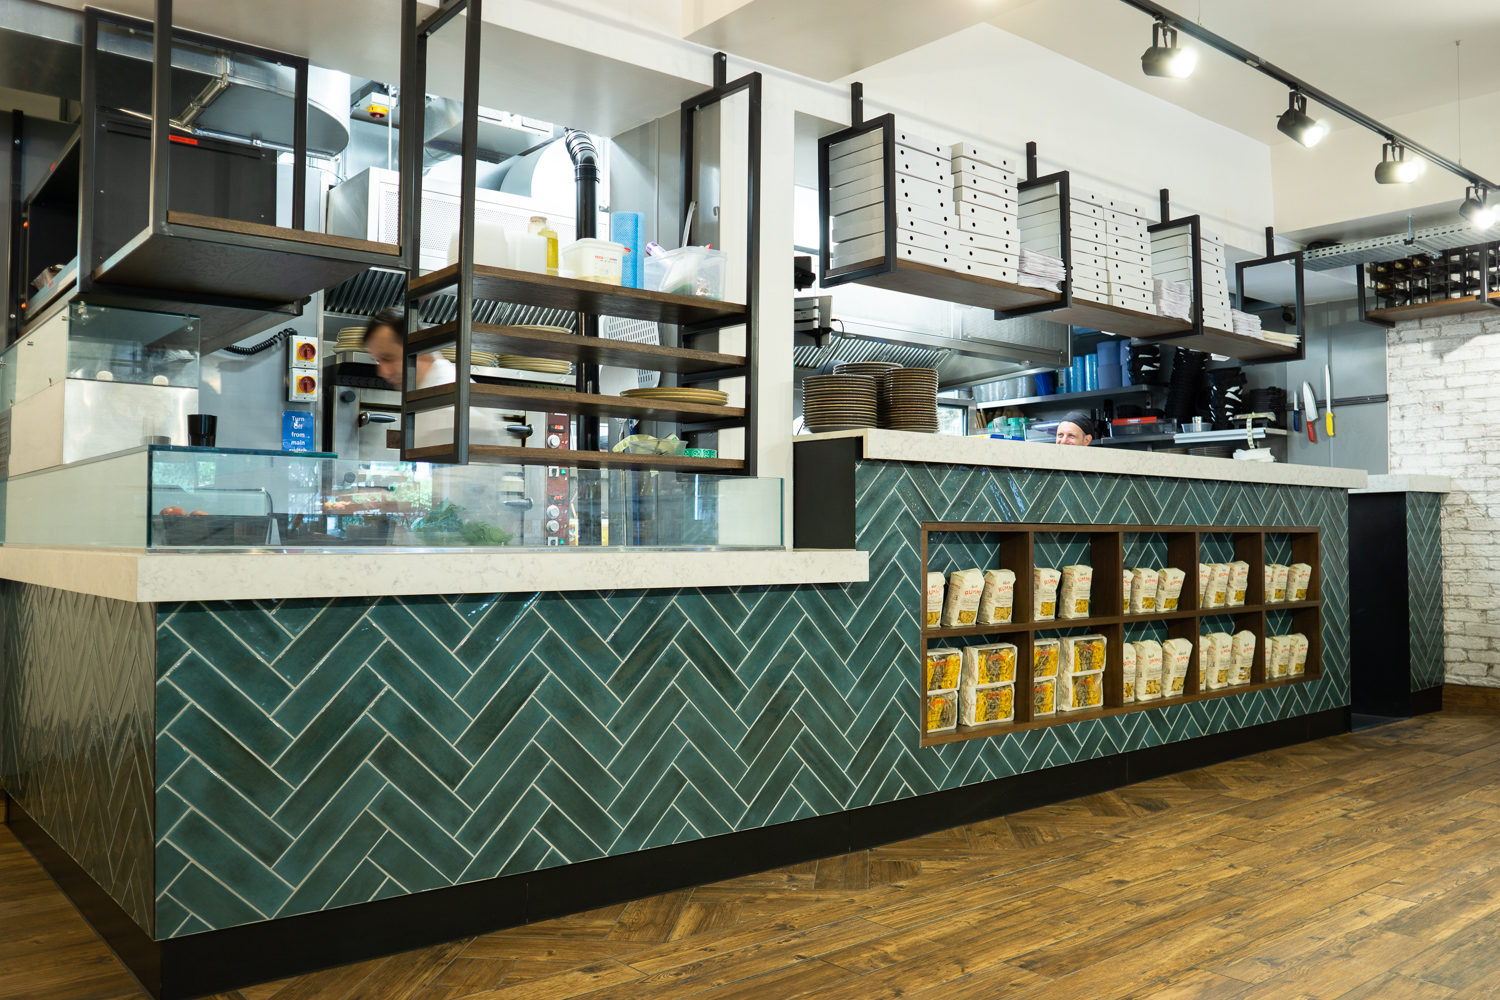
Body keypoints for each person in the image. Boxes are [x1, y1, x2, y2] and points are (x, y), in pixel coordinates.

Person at [361, 307, 502, 450]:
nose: (382, 372)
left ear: (418, 349)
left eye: (388, 358)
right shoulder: (427, 393)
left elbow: (456, 471)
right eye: (378, 361)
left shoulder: (446, 402)